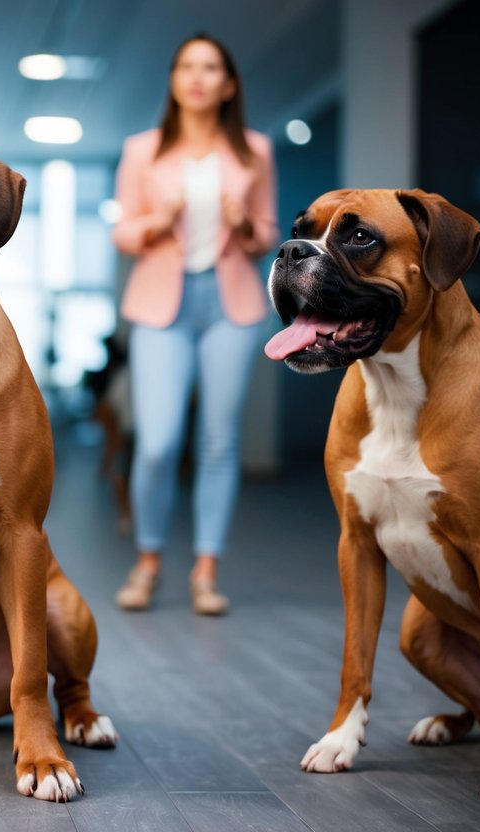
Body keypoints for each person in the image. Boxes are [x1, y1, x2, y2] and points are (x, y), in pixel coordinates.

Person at [110, 33, 278, 615]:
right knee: (157, 442)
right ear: (175, 80)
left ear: (229, 84)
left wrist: (243, 222)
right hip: (162, 304)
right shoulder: (143, 150)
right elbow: (124, 234)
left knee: (217, 442)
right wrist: (161, 218)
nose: (197, 77)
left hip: (230, 304)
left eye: (211, 68)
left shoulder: (255, 149)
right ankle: (148, 561)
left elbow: (267, 237)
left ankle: (206, 571)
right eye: (187, 66)